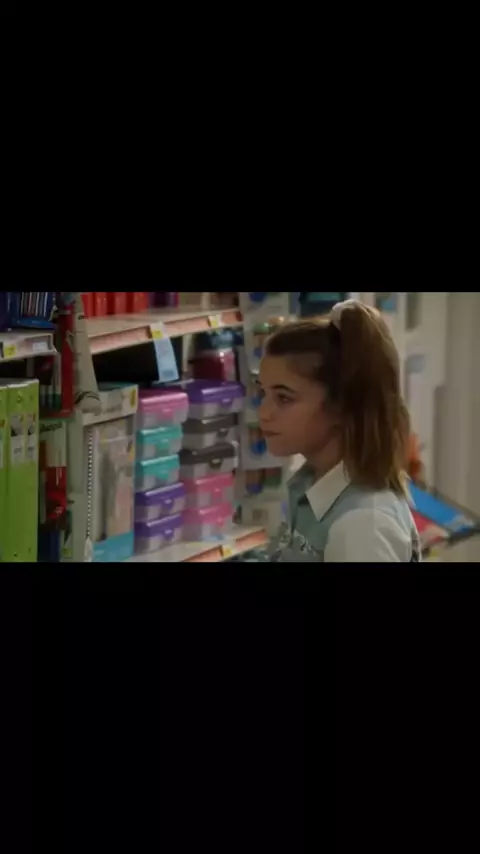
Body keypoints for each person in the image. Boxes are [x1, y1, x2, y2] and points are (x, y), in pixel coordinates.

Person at [254, 298, 421, 562]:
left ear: (340, 406)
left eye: (284, 398)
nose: (263, 413)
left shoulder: (363, 526)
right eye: (263, 393)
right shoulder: (309, 486)